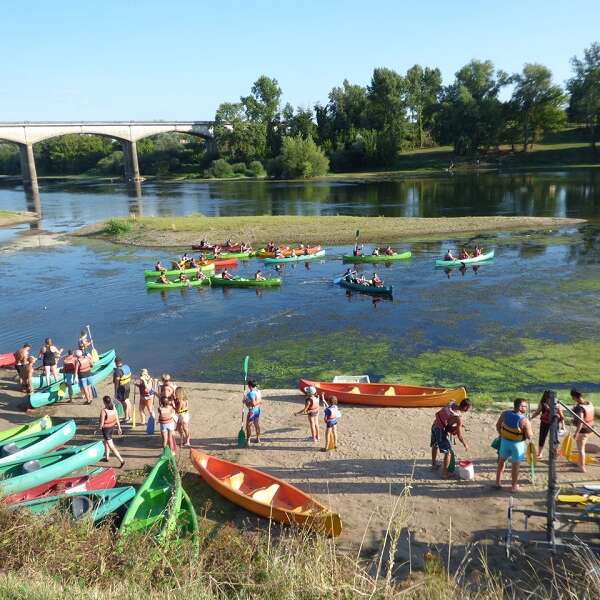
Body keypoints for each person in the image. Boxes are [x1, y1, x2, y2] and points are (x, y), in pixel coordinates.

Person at [495, 398, 533, 492]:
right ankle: (514, 486)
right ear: (520, 407)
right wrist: (529, 426)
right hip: (517, 445)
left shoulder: (504, 414)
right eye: (525, 406)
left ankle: (498, 482)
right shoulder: (524, 420)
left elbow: (497, 426)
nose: (526, 408)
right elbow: (529, 436)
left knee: (501, 461)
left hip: (504, 442)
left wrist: (502, 434)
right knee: (515, 465)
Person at [431, 399, 471, 477]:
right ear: (465, 407)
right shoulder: (458, 418)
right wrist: (464, 444)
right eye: (469, 408)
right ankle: (445, 474)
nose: (469, 410)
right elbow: (459, 435)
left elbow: (447, 418)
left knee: (435, 445)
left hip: (434, 425)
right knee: (448, 452)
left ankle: (433, 465)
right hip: (440, 430)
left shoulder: (451, 404)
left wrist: (459, 425)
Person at [531, 390, 564, 459]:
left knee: (554, 439)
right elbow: (537, 412)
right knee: (542, 437)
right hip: (544, 422)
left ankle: (554, 454)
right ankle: (540, 453)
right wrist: (530, 418)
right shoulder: (542, 403)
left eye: (551, 397)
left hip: (554, 423)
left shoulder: (557, 404)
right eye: (548, 397)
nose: (549, 399)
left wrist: (563, 426)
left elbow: (561, 416)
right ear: (546, 397)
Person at [571, 389, 595, 473]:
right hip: (591, 428)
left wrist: (576, 433)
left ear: (574, 397)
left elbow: (580, 421)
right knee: (582, 447)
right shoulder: (589, 403)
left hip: (583, 430)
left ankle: (582, 467)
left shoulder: (579, 408)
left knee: (581, 449)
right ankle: (580, 462)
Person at [99, 396, 124, 466]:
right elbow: (117, 418)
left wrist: (96, 430)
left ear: (104, 402)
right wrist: (119, 428)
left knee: (112, 447)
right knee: (106, 442)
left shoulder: (104, 411)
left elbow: (101, 424)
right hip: (111, 428)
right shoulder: (114, 408)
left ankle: (121, 460)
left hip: (106, 431)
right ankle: (107, 457)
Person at [113, 357, 132, 423]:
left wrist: (115, 392)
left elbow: (116, 383)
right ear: (121, 362)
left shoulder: (117, 371)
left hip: (122, 389)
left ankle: (126, 418)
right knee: (127, 401)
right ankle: (129, 416)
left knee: (124, 403)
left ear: (115, 363)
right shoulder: (126, 367)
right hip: (128, 387)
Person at [244, 379, 262, 445]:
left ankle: (248, 440)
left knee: (248, 426)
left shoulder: (251, 393)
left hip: (252, 411)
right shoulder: (258, 391)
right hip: (258, 410)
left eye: (248, 386)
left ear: (249, 386)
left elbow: (253, 404)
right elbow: (259, 401)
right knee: (256, 424)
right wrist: (259, 401)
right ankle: (258, 438)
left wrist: (245, 401)